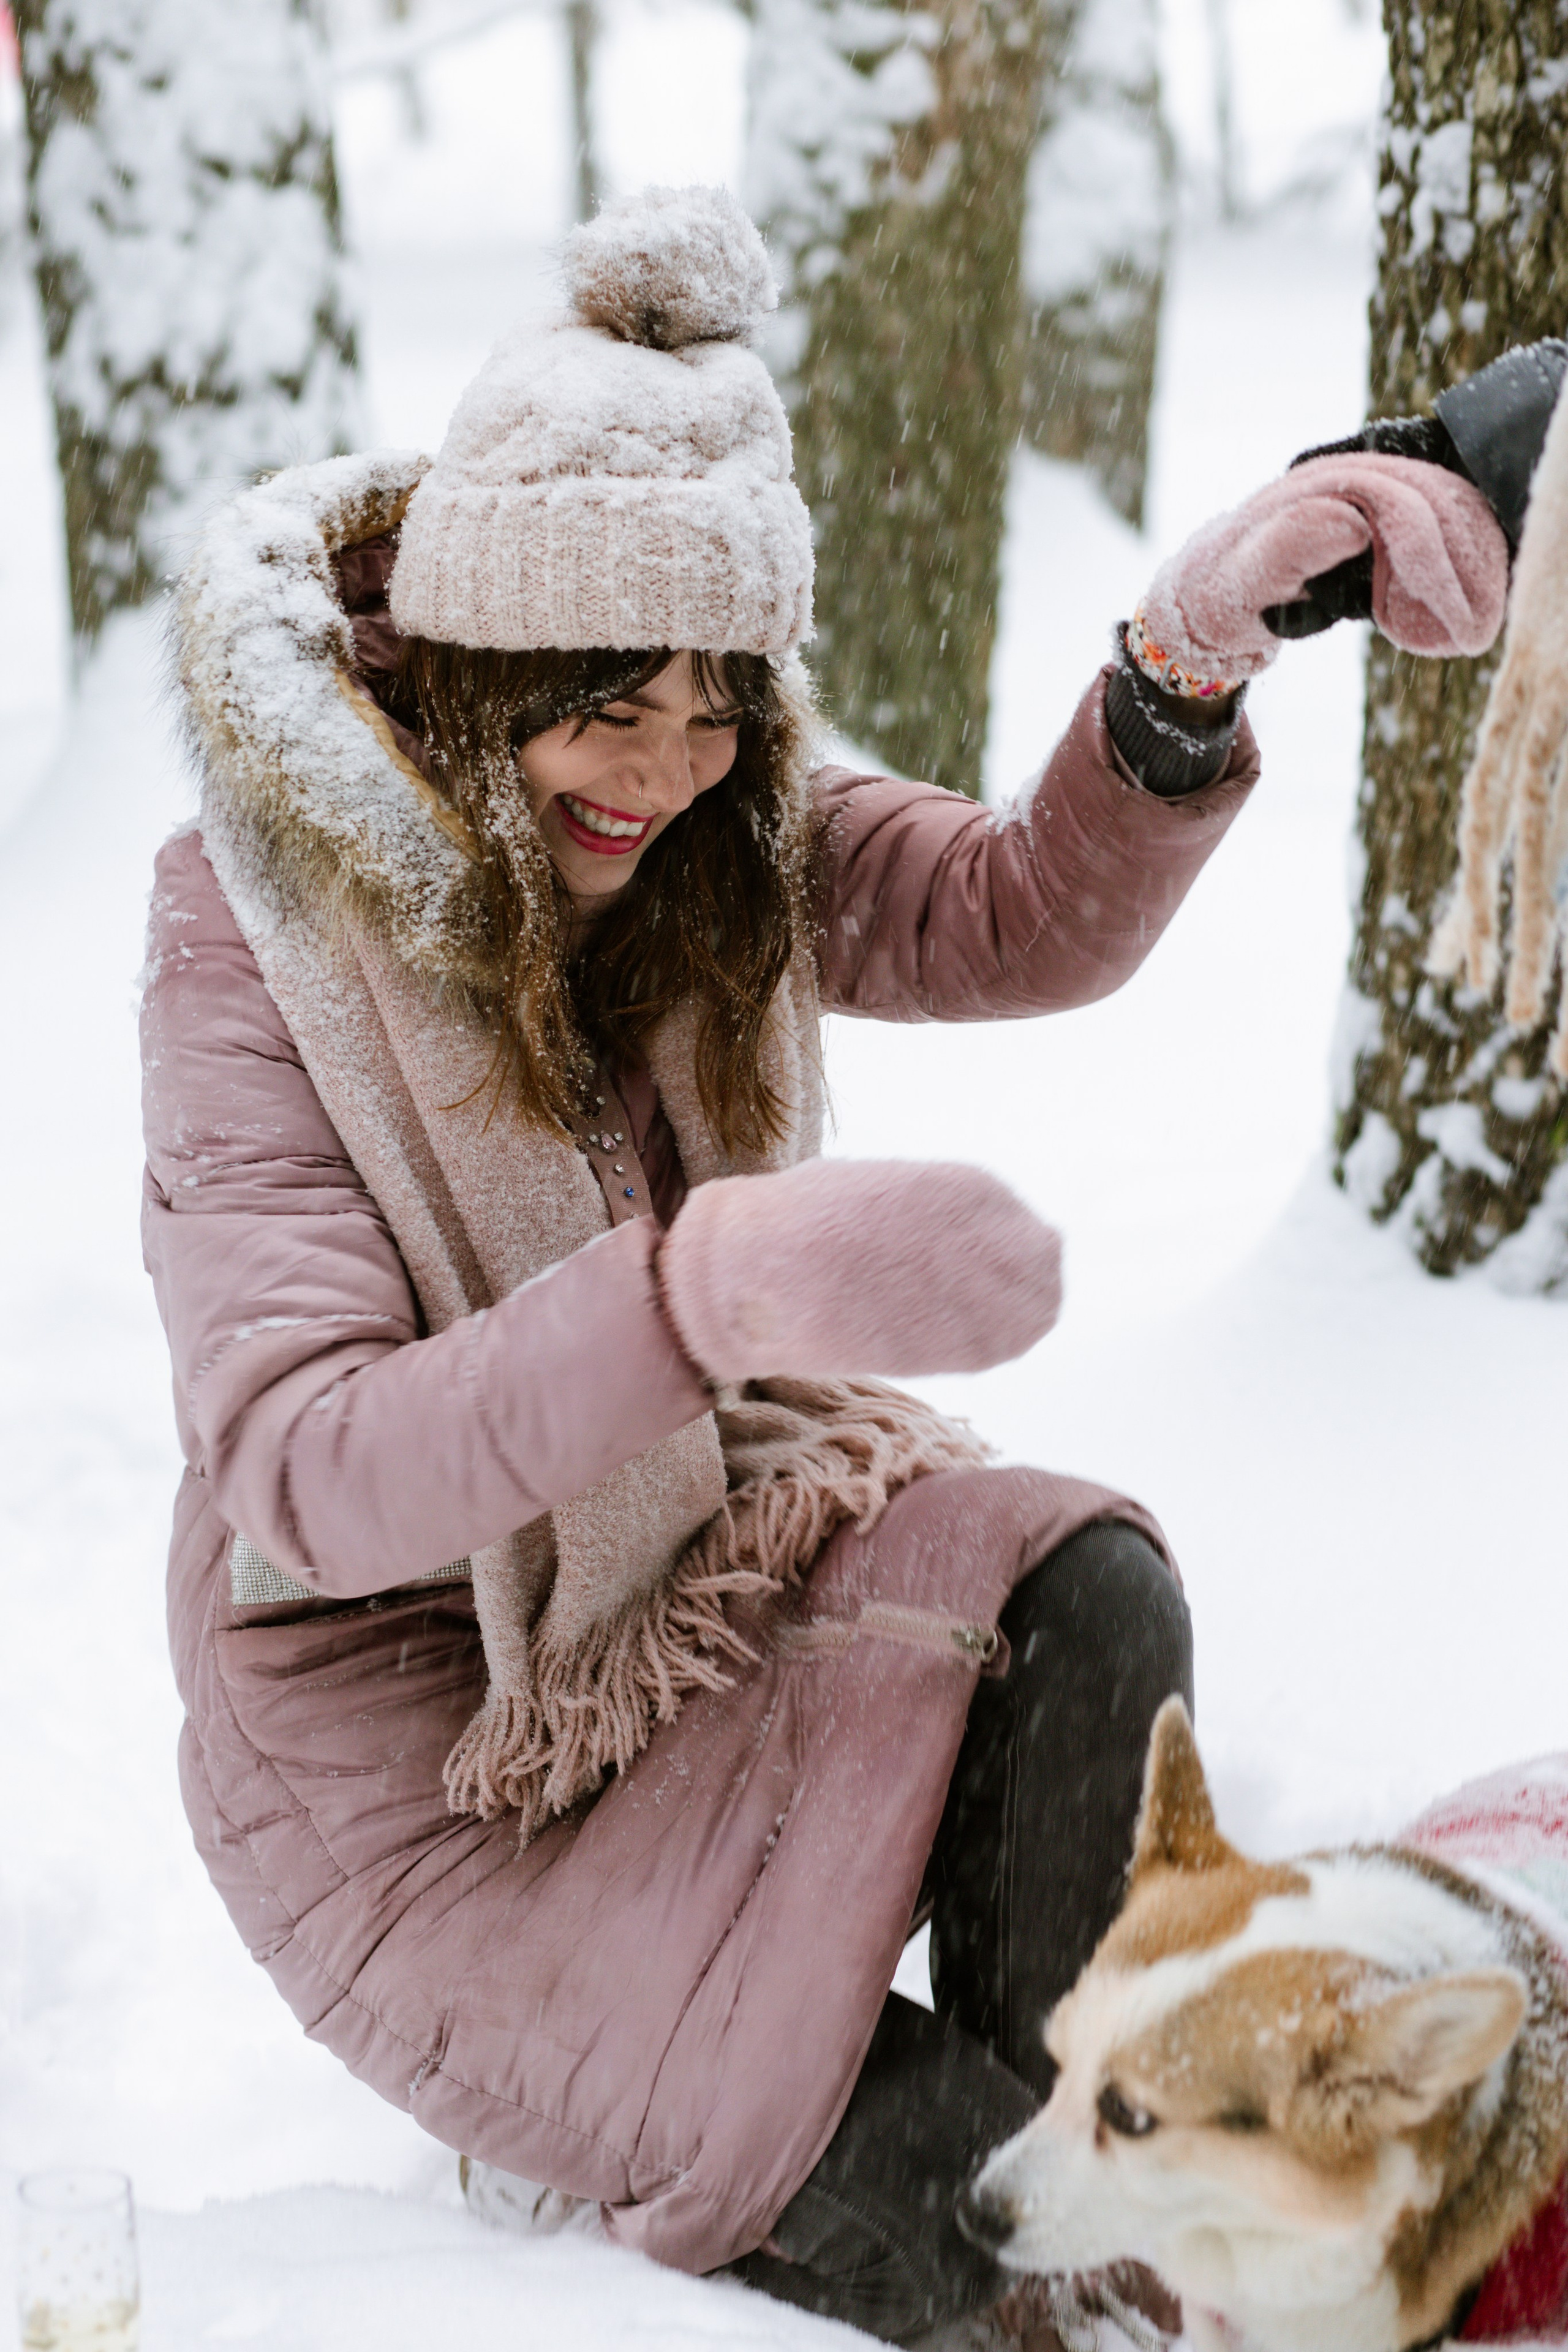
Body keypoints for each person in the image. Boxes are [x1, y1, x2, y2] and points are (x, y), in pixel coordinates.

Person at [141, 186, 1523, 2349]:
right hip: (421, 1760)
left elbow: (1005, 916)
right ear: (485, 658)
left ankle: (1064, 2120)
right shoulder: (262, 934)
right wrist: (706, 1296)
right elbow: (304, 1470)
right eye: (608, 701)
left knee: (1084, 1600)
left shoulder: (725, 825)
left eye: (717, 704)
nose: (665, 769)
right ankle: (731, 2124)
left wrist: (1188, 657)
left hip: (691, 1584)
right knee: (975, 2244)